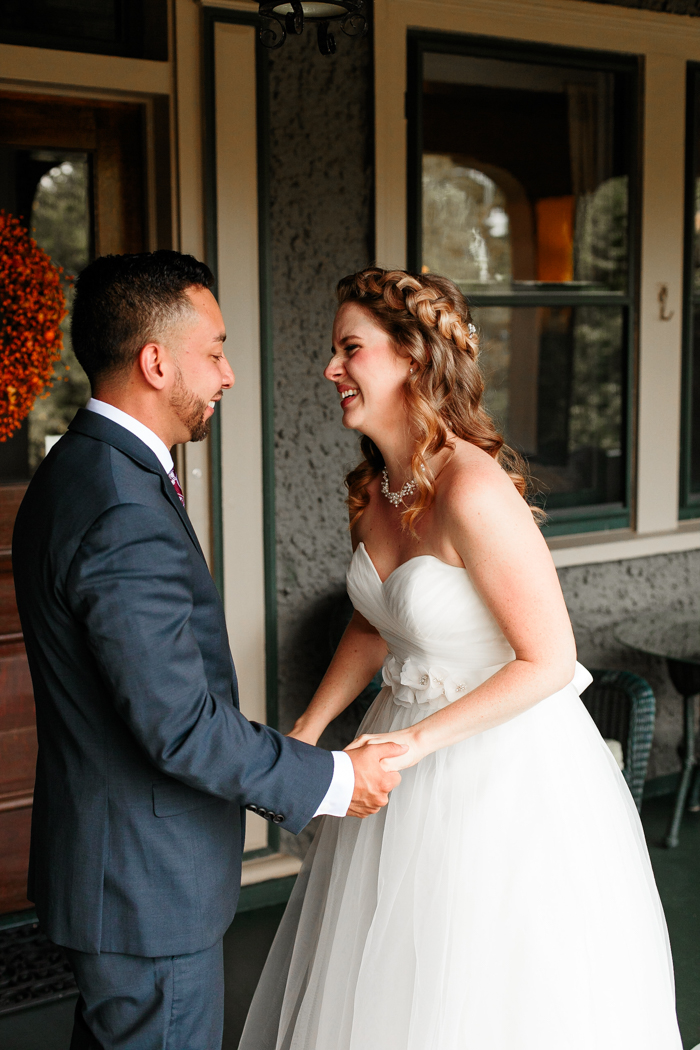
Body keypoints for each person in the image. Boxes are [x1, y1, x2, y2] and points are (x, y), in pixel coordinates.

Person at [239, 268, 682, 1050]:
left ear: (410, 355)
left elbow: (549, 659)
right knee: (380, 971)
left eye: (350, 350)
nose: (330, 370)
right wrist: (307, 730)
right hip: (392, 756)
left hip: (497, 766)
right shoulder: (376, 489)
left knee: (478, 981)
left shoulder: (473, 489)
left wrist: (412, 742)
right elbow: (377, 623)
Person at [12, 251, 406, 1050]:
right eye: (217, 350)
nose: (228, 375)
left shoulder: (78, 468)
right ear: (156, 362)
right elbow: (179, 726)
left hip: (113, 871)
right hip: (144, 886)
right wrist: (330, 777)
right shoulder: (120, 503)